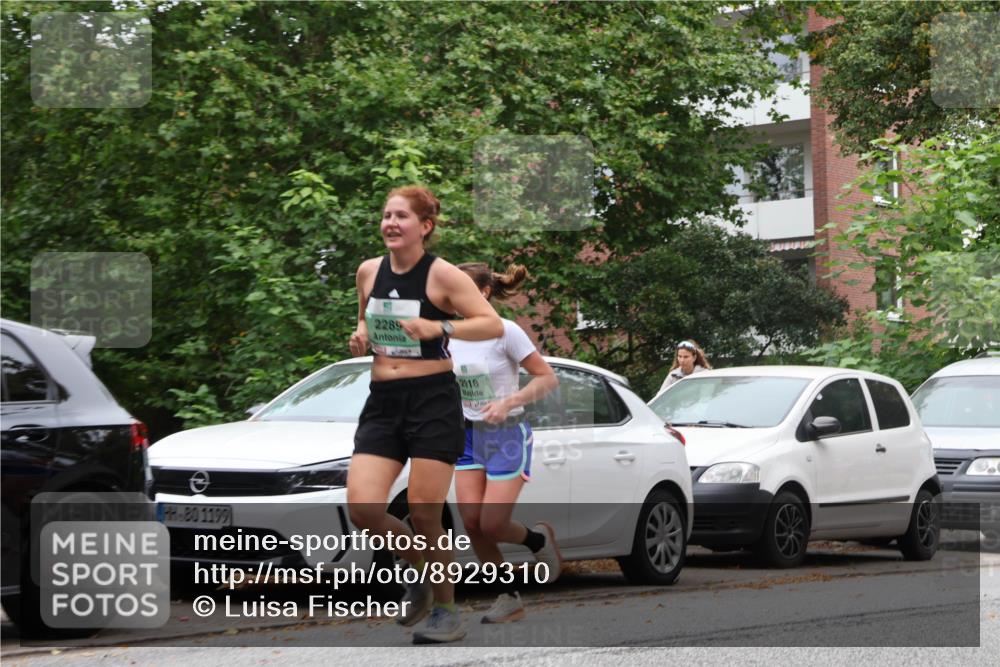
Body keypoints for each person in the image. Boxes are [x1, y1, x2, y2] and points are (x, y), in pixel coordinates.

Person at [347, 186, 503, 645]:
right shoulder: (368, 272)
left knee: (424, 513)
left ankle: (447, 611)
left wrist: (441, 325)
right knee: (363, 508)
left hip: (433, 400)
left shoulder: (444, 276)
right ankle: (419, 572)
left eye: (401, 216)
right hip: (383, 401)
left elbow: (490, 322)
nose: (390, 223)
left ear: (425, 226)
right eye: (386, 215)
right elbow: (364, 320)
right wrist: (360, 336)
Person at [450, 262, 561, 624]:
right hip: (467, 435)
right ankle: (507, 595)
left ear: (482, 292)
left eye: (460, 288)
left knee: (493, 524)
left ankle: (537, 541)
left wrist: (508, 402)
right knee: (471, 523)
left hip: (507, 434)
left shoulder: (505, 332)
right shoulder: (448, 334)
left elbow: (547, 379)